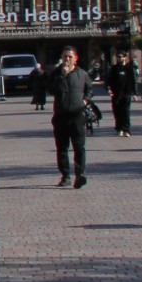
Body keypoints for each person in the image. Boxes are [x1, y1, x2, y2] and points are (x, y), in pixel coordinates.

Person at [49, 46, 93, 188]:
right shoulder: (56, 74)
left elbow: (89, 90)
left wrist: (85, 101)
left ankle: (80, 175)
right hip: (61, 116)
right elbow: (50, 89)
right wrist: (61, 74)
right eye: (65, 57)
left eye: (70, 57)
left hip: (77, 116)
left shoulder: (82, 74)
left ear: (75, 58)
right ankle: (65, 175)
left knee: (79, 147)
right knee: (62, 148)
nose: (67, 59)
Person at [105, 50, 137, 136]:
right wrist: (108, 89)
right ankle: (119, 128)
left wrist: (134, 94)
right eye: (118, 57)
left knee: (126, 112)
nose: (119, 58)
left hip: (126, 93)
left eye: (121, 56)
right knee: (117, 112)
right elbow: (108, 80)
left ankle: (126, 129)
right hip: (116, 94)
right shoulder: (114, 68)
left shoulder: (129, 68)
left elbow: (133, 81)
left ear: (125, 57)